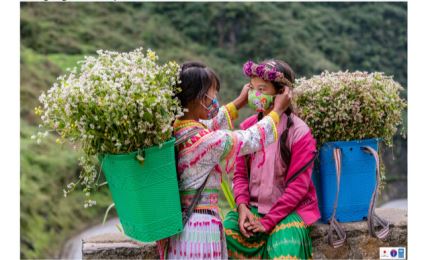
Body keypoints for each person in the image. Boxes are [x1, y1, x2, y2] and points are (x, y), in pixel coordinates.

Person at [156, 61, 292, 259]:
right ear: (200, 98)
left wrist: (239, 102)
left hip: (182, 230)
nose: (215, 99)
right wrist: (277, 111)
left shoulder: (179, 128)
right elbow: (249, 139)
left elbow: (210, 123)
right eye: (213, 94)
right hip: (199, 231)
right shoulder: (203, 141)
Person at [223, 59, 321, 259]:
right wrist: (242, 207)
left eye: (262, 89)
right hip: (253, 209)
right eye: (252, 88)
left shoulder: (299, 133)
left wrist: (267, 222)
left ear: (281, 94)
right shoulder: (248, 129)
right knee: (223, 237)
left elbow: (298, 188)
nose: (255, 95)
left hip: (288, 212)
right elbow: (240, 175)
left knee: (285, 253)